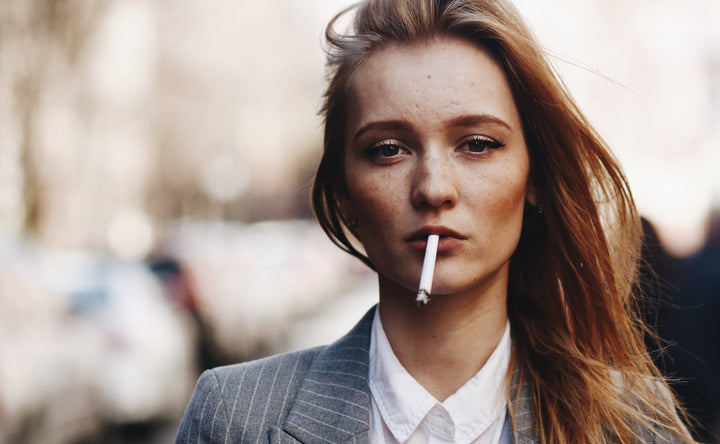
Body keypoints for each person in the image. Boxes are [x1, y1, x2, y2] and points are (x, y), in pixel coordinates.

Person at [176, 0, 695, 442]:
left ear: (533, 175)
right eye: (387, 150)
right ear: (344, 191)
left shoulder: (630, 423)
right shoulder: (236, 417)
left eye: (476, 144)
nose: (434, 188)